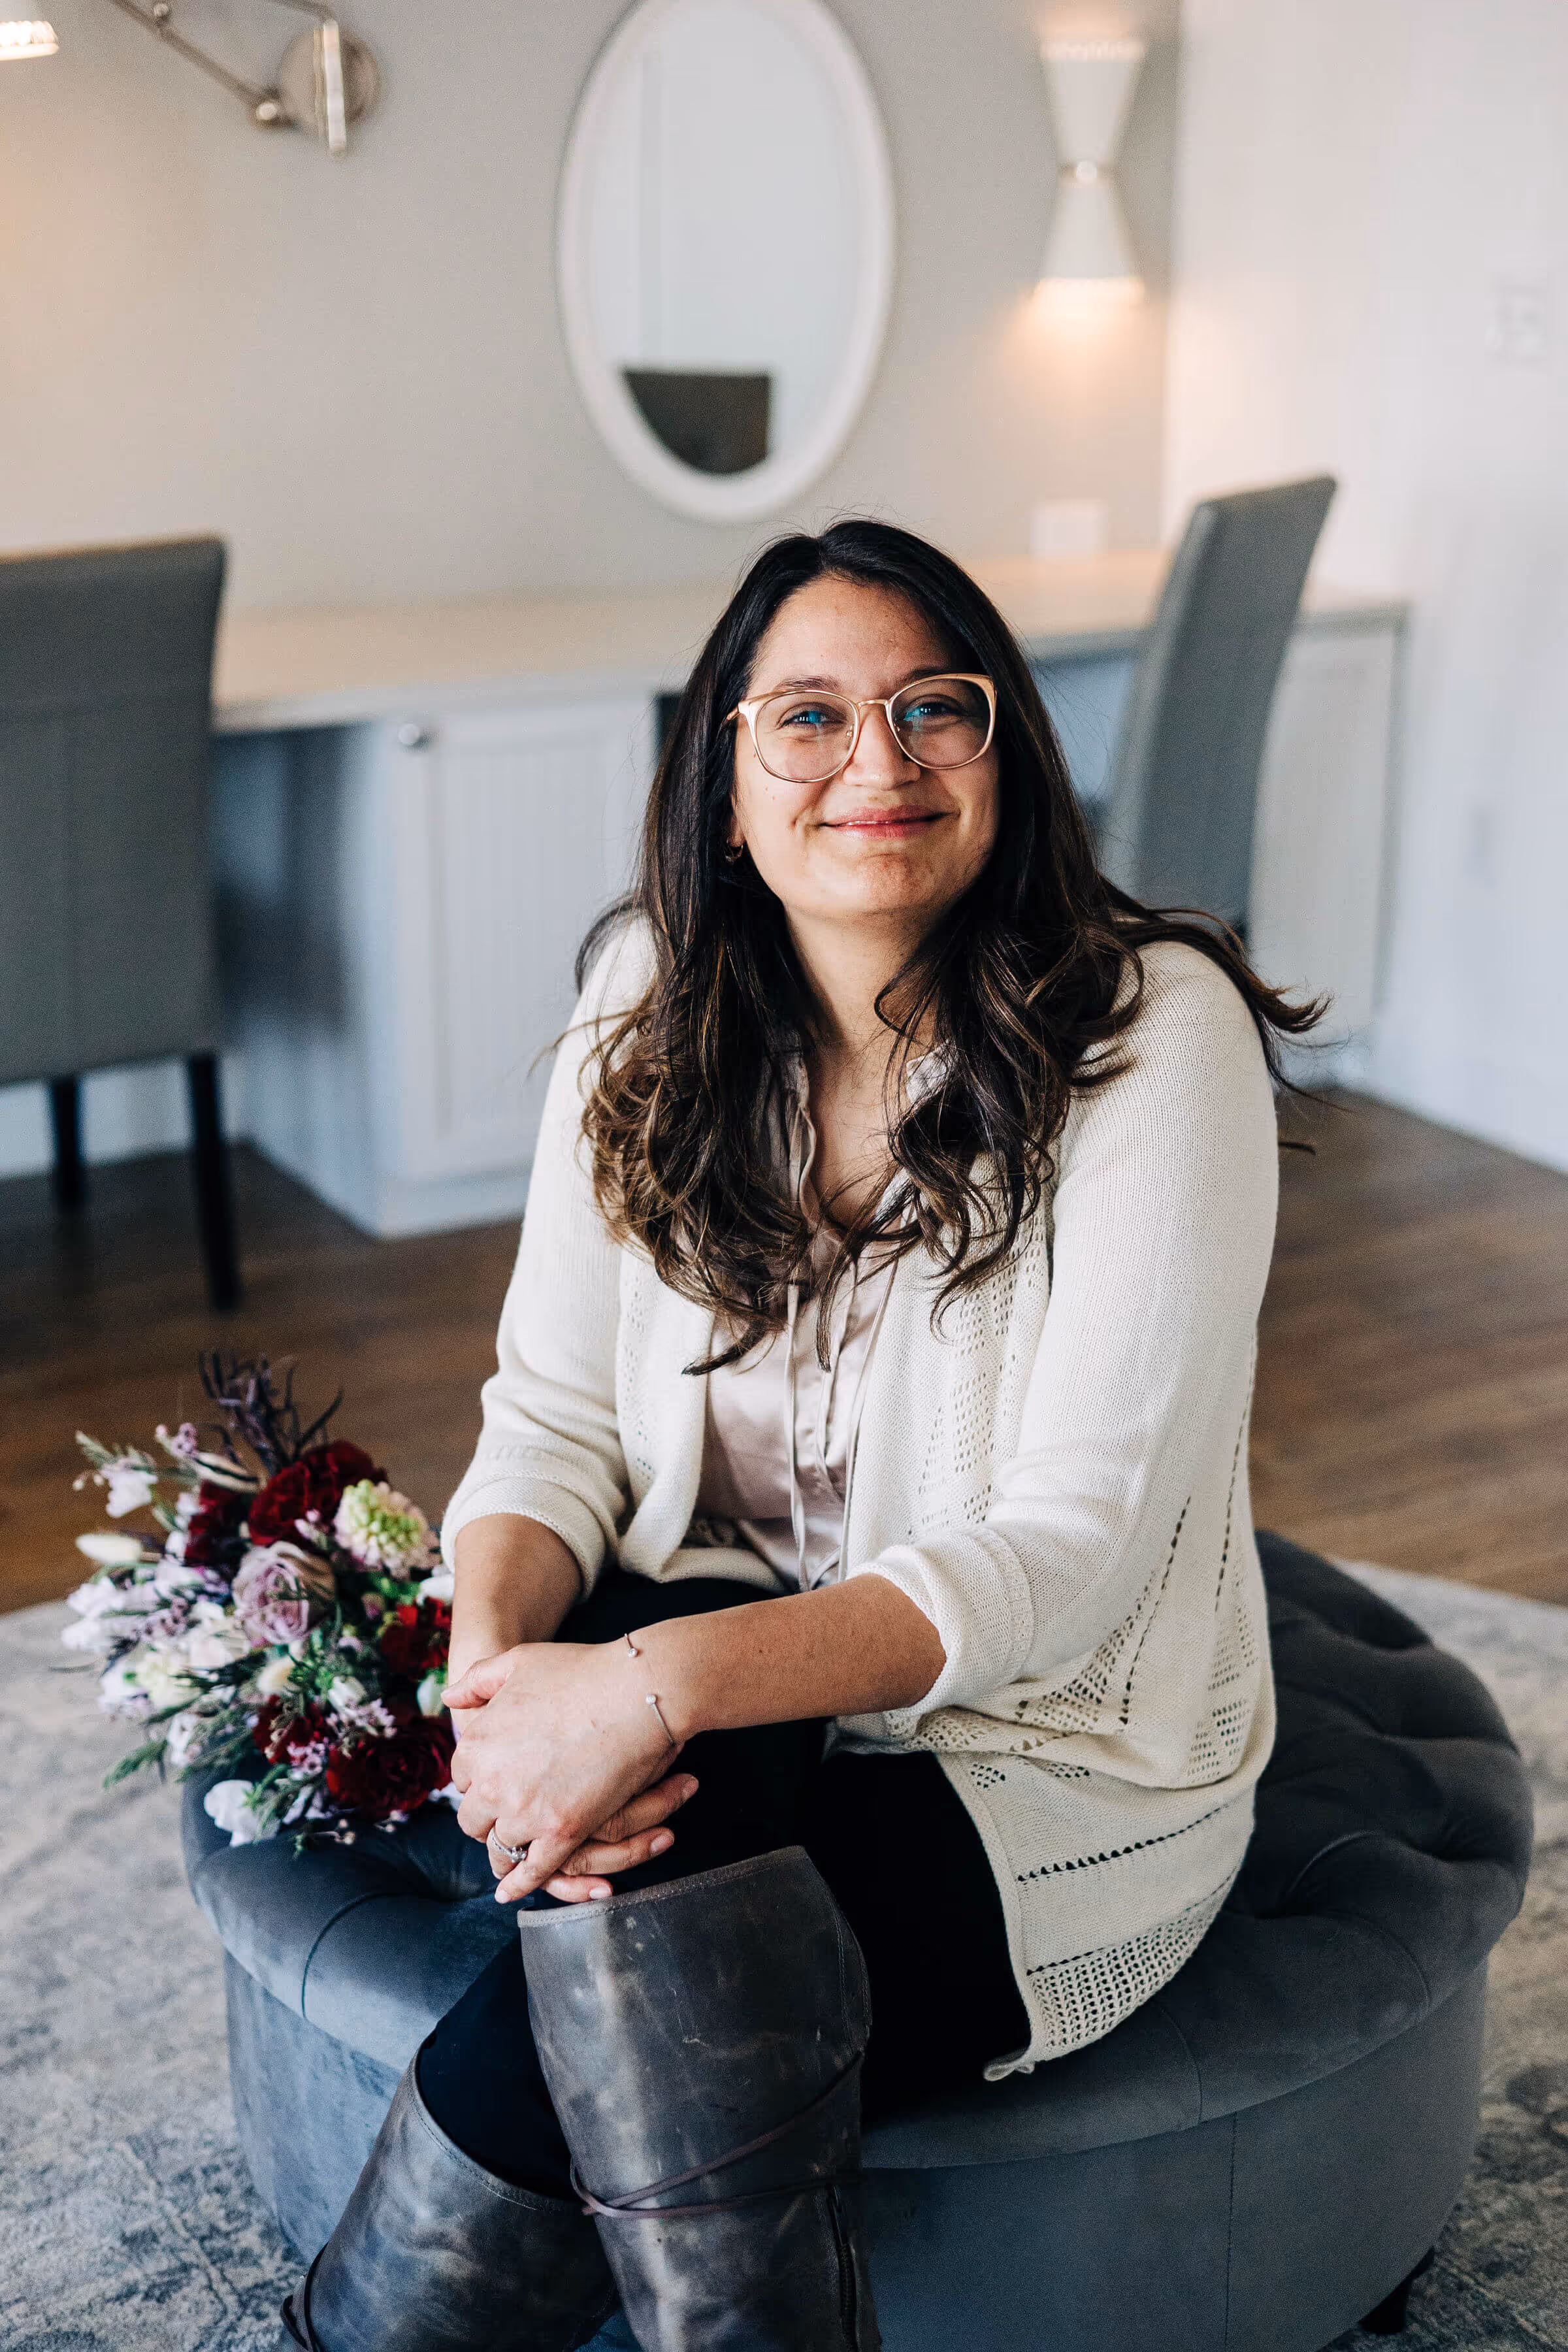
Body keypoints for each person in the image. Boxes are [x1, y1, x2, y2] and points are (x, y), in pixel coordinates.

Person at [278, 519, 1316, 2352]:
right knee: (659, 1883)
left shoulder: (1156, 1042)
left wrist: (659, 1689)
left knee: (653, 1929)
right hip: (697, 1638)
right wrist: (504, 1674)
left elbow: (1071, 1556)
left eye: (937, 707)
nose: (881, 762)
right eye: (811, 717)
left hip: (1041, 1750)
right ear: (726, 783)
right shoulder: (647, 996)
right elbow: (554, 1421)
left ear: (1009, 753)